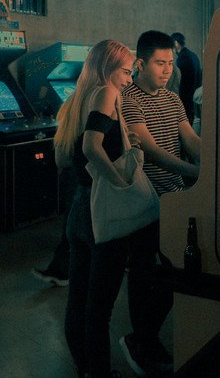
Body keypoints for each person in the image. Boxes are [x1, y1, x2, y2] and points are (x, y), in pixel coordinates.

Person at [119, 30, 201, 376]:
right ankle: (141, 340)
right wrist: (196, 171)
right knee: (144, 272)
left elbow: (190, 138)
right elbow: (150, 151)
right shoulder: (128, 99)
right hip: (145, 198)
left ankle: (145, 336)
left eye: (170, 63)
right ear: (140, 63)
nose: (167, 70)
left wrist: (217, 162)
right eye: (159, 63)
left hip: (174, 198)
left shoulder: (172, 98)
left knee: (174, 271)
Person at [54, 39, 137, 378]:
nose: (128, 80)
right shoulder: (106, 92)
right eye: (126, 72)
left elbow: (62, 158)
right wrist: (121, 184)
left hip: (78, 209)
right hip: (102, 212)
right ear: (107, 68)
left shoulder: (74, 99)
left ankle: (85, 368)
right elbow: (91, 147)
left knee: (78, 301)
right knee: (99, 310)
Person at [170, 32, 202, 125]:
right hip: (196, 95)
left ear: (176, 43)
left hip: (186, 97)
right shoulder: (193, 55)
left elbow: (180, 81)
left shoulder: (183, 58)